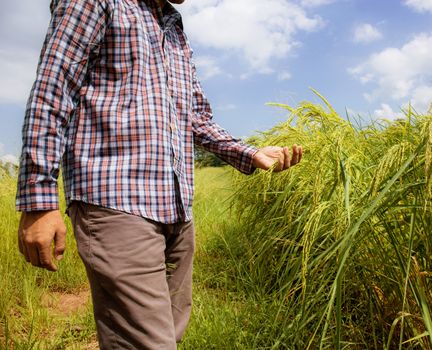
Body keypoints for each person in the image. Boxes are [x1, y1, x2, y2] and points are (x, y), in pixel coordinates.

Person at [15, 0, 303, 348]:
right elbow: (53, 91)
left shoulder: (173, 28)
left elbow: (197, 118)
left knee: (170, 333)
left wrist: (251, 153)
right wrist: (39, 200)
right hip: (115, 203)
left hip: (177, 210)